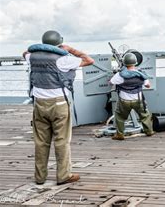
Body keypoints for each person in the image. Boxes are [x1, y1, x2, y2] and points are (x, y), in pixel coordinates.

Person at [24, 30, 94, 185]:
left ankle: (40, 177)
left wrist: (39, 48)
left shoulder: (31, 57)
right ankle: (63, 175)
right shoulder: (63, 59)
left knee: (41, 142)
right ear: (59, 43)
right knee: (62, 141)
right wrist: (69, 49)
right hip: (59, 103)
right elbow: (89, 60)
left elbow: (25, 52)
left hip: (39, 104)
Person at [109, 52, 154, 140]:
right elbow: (148, 85)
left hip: (124, 100)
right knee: (145, 115)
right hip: (138, 99)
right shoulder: (141, 74)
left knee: (120, 116)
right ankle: (149, 131)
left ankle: (120, 134)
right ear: (135, 63)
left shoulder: (120, 75)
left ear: (124, 63)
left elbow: (111, 83)